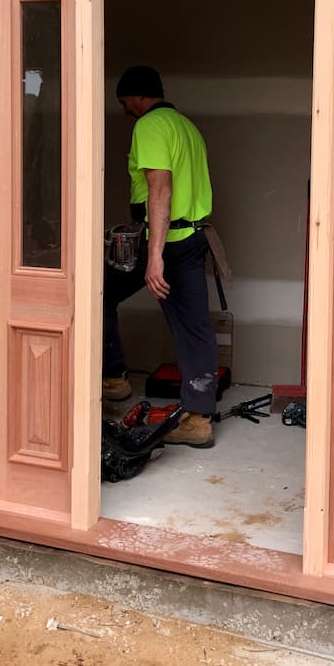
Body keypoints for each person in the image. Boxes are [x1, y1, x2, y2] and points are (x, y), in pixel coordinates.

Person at [102, 65, 219, 448]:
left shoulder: (150, 126)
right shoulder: (186, 126)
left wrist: (154, 256)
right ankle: (199, 415)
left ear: (138, 96)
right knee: (194, 325)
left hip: (165, 240)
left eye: (124, 102)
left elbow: (160, 189)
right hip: (193, 236)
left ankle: (114, 378)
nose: (124, 110)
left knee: (98, 291)